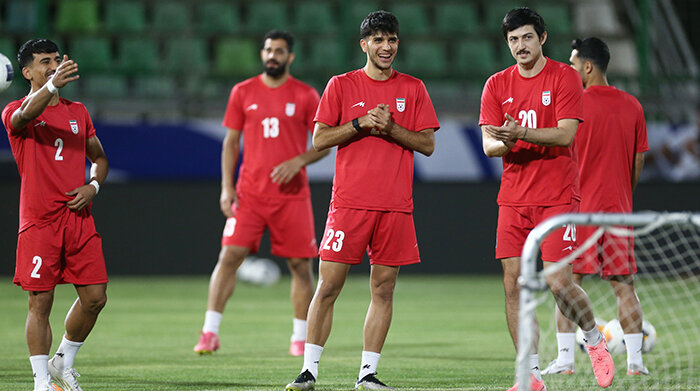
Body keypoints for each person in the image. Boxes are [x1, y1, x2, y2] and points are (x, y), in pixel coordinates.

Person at [285, 10, 438, 391]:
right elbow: (319, 140)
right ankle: (309, 371)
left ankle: (367, 373)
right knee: (328, 286)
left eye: (392, 40)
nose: (386, 47)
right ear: (364, 44)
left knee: (383, 289)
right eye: (379, 40)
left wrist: (390, 127)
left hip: (395, 205)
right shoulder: (341, 85)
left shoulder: (414, 88)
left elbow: (428, 144)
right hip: (349, 204)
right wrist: (359, 124)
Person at [479, 8, 615, 391]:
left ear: (542, 38)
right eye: (512, 40)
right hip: (513, 198)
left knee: (558, 282)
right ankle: (531, 374)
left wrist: (519, 132)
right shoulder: (495, 84)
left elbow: (565, 135)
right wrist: (499, 143)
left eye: (526, 37)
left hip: (556, 196)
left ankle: (594, 338)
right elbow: (488, 142)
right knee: (512, 284)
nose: (519, 46)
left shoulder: (564, 77)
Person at [193, 30, 329, 357]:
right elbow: (230, 143)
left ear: (290, 57)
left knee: (300, 265)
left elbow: (324, 142)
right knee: (229, 257)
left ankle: (300, 336)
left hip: (292, 196)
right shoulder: (242, 92)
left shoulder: (307, 95)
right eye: (268, 50)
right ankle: (209, 332)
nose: (272, 56)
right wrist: (227, 187)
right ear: (262, 54)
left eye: (279, 51)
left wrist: (299, 160)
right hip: (250, 194)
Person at [2, 39, 109, 391]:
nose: (53, 65)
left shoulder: (78, 112)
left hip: (79, 219)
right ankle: (41, 381)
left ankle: (62, 361)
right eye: (44, 62)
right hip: (39, 221)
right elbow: (25, 115)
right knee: (40, 302)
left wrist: (92, 186)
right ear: (27, 72)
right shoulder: (15, 112)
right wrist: (51, 86)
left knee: (95, 298)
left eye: (56, 59)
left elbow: (100, 158)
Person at [541, 37, 650, 377]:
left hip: (577, 211)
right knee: (625, 287)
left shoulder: (573, 106)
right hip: (617, 210)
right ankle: (635, 363)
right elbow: (638, 162)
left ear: (587, 67)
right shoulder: (632, 105)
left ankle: (565, 361)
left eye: (573, 64)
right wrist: (622, 196)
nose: (570, 70)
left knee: (568, 286)